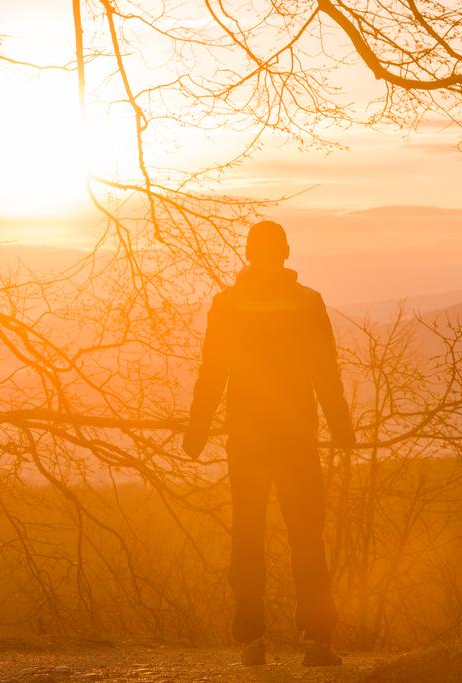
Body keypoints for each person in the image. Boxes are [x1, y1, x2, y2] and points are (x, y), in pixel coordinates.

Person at [183, 220, 355, 667]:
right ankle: (318, 641)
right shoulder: (307, 302)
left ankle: (252, 639)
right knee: (306, 538)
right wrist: (341, 426)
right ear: (285, 252)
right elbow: (325, 371)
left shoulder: (228, 304)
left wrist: (197, 429)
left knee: (248, 534)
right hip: (296, 436)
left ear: (247, 252)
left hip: (247, 438)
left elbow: (212, 371)